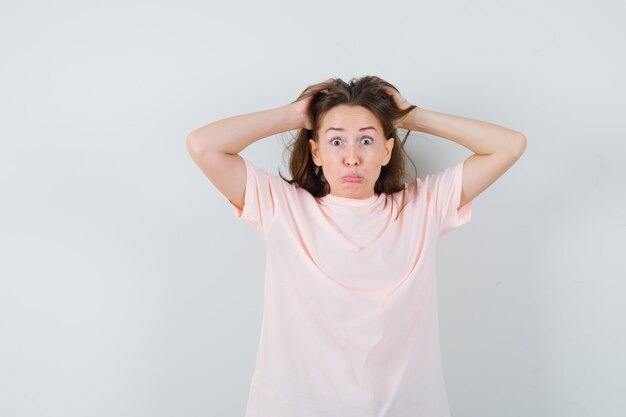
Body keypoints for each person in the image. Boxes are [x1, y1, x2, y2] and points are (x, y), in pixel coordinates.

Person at [186, 76, 526, 417]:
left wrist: (408, 115)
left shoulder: (422, 207)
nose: (352, 158)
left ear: (386, 150)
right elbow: (203, 145)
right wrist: (294, 114)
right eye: (336, 142)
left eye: (366, 140)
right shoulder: (282, 206)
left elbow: (509, 145)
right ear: (315, 151)